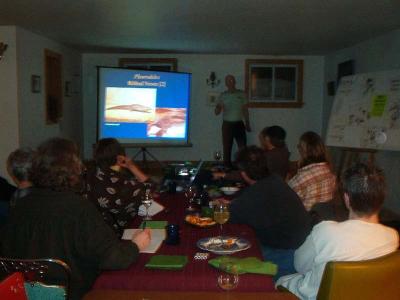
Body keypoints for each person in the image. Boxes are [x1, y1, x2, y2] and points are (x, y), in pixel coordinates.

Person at [0, 137, 151, 299]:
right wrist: (136, 244)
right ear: (75, 170)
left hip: (23, 293)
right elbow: (113, 258)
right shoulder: (79, 209)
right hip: (74, 292)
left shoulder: (18, 207)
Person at [276, 163, 399, 300]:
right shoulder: (392, 237)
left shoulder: (326, 231)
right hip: (363, 294)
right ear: (382, 199)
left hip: (314, 296)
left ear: (346, 199)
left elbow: (299, 265)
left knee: (280, 269)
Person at [228, 146, 312, 278]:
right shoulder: (274, 180)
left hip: (288, 256)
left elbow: (229, 216)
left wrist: (223, 207)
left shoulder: (257, 193)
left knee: (232, 256)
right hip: (302, 249)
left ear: (243, 173)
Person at [85, 138, 149, 236]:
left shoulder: (90, 175)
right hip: (119, 233)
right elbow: (151, 188)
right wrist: (132, 166)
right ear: (120, 156)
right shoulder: (124, 184)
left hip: (94, 231)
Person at [213, 125, 289, 181]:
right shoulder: (283, 151)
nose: (261, 142)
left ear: (267, 138)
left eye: (262, 139)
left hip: (268, 190)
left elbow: (249, 173)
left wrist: (223, 175)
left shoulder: (269, 156)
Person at [288, 131, 336, 211]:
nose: (298, 150)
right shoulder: (328, 170)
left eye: (299, 147)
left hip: (306, 218)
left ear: (304, 150)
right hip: (324, 215)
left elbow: (285, 195)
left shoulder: (304, 176)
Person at [215, 75, 251, 168]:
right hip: (227, 125)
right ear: (226, 83)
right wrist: (218, 107)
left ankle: (243, 167)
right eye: (228, 80)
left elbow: (245, 110)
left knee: (242, 148)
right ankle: (227, 168)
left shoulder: (242, 94)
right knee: (227, 147)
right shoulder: (223, 95)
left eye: (231, 80)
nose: (230, 82)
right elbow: (216, 112)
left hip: (239, 124)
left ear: (234, 81)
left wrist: (247, 123)